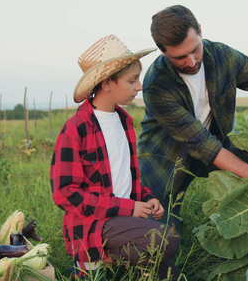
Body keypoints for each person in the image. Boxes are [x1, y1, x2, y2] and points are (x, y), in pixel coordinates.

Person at [138, 5, 248, 210]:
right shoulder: (156, 83)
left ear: (200, 31)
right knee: (163, 224)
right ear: (163, 51)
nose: (192, 61)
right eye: (180, 58)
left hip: (217, 144)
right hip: (167, 156)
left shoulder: (221, 55)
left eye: (195, 50)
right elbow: (201, 144)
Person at [50, 35, 180, 279]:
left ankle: (117, 265)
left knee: (167, 245)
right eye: (132, 81)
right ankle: (89, 261)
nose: (139, 86)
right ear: (107, 83)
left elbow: (129, 178)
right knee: (163, 239)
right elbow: (64, 193)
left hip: (122, 217)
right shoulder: (77, 127)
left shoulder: (124, 121)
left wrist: (148, 198)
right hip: (92, 224)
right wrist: (129, 208)